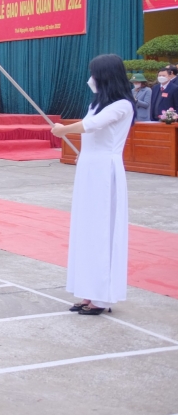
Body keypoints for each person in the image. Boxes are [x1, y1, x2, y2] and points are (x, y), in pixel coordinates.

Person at [51, 54, 135, 315]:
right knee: (86, 229)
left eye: (94, 74)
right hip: (88, 168)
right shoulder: (97, 104)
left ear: (106, 76)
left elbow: (93, 126)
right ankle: (88, 291)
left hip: (104, 172)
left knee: (101, 230)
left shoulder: (123, 105)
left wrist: (62, 129)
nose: (91, 79)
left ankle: (102, 297)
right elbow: (92, 129)